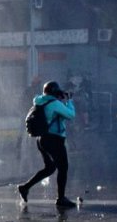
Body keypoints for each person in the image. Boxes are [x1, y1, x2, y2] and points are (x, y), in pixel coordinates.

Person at [18, 80, 77, 208]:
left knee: (50, 168)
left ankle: (25, 187)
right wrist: (69, 101)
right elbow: (71, 115)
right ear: (55, 92)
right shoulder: (55, 103)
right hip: (54, 139)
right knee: (63, 168)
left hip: (42, 139)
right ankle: (61, 198)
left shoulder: (40, 101)